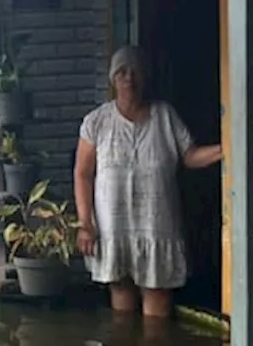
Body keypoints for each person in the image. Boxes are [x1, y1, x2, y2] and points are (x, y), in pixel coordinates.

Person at [73, 45, 222, 317]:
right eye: (122, 72)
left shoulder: (164, 116)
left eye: (135, 72)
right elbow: (83, 173)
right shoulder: (97, 122)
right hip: (113, 227)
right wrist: (85, 223)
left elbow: (189, 156)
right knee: (122, 309)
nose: (129, 78)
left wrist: (226, 149)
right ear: (113, 79)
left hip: (156, 224)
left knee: (157, 307)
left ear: (145, 78)